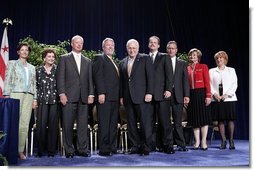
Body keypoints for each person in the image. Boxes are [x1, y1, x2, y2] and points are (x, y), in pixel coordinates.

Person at [56, 35, 94, 158]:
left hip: (83, 97)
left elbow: (90, 80)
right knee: (67, 124)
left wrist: (91, 94)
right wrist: (62, 94)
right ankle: (69, 150)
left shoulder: (87, 61)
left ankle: (82, 149)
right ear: (72, 44)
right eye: (76, 43)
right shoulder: (64, 58)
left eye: (81, 43)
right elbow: (60, 77)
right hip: (68, 97)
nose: (79, 45)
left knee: (83, 125)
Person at [119, 39, 154, 155]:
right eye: (130, 48)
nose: (132, 50)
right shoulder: (122, 62)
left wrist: (149, 92)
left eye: (134, 48)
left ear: (138, 49)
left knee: (145, 123)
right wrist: (121, 96)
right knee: (131, 124)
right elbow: (122, 82)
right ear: (127, 49)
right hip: (128, 98)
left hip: (143, 97)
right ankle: (135, 146)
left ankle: (146, 147)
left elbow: (150, 77)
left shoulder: (145, 58)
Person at [3, 42, 37, 160]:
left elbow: (34, 84)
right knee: (13, 122)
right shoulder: (12, 63)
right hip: (15, 94)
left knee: (24, 124)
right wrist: (6, 95)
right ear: (18, 52)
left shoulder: (32, 67)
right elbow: (7, 79)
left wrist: (35, 99)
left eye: (26, 50)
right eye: (22, 50)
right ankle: (10, 149)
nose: (24, 52)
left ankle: (19, 150)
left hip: (29, 96)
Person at [92, 38, 120, 156]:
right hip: (105, 97)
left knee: (113, 124)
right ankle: (104, 149)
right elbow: (98, 77)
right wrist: (101, 93)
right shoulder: (100, 58)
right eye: (108, 45)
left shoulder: (113, 61)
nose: (110, 47)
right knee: (104, 123)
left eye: (112, 45)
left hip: (114, 97)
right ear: (103, 47)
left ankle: (112, 147)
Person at [147, 36, 174, 153]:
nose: (152, 44)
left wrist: (168, 89)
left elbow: (169, 75)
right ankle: (153, 145)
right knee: (150, 122)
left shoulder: (164, 56)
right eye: (151, 42)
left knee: (165, 122)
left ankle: (168, 146)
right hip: (148, 96)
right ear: (148, 44)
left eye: (155, 43)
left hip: (162, 95)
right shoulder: (144, 58)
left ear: (158, 45)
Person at [209, 51, 238, 150]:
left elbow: (234, 84)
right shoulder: (211, 71)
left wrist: (227, 94)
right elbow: (209, 84)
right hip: (217, 99)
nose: (219, 60)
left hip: (229, 99)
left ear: (225, 59)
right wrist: (215, 94)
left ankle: (231, 140)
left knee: (230, 120)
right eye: (217, 58)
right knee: (220, 120)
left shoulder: (231, 70)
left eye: (221, 58)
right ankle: (223, 141)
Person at [166, 40, 190, 152]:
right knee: (166, 122)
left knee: (177, 122)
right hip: (165, 96)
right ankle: (168, 145)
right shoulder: (163, 60)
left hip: (179, 96)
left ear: (176, 50)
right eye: (169, 48)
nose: (171, 50)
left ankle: (181, 144)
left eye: (173, 48)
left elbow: (185, 80)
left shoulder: (182, 63)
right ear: (167, 49)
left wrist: (187, 95)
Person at [186, 48, 212, 150]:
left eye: (195, 55)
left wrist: (208, 96)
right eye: (191, 55)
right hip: (191, 94)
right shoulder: (187, 68)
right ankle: (197, 141)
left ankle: (203, 141)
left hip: (201, 93)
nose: (193, 57)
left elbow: (207, 82)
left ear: (198, 57)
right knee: (195, 119)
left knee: (203, 119)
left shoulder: (203, 66)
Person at [35, 48, 59, 157]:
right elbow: (35, 86)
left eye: (53, 57)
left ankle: (51, 151)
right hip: (42, 101)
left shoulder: (58, 69)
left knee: (53, 126)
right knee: (41, 126)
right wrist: (35, 99)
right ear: (44, 58)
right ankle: (40, 150)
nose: (51, 58)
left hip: (54, 101)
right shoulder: (38, 70)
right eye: (49, 56)